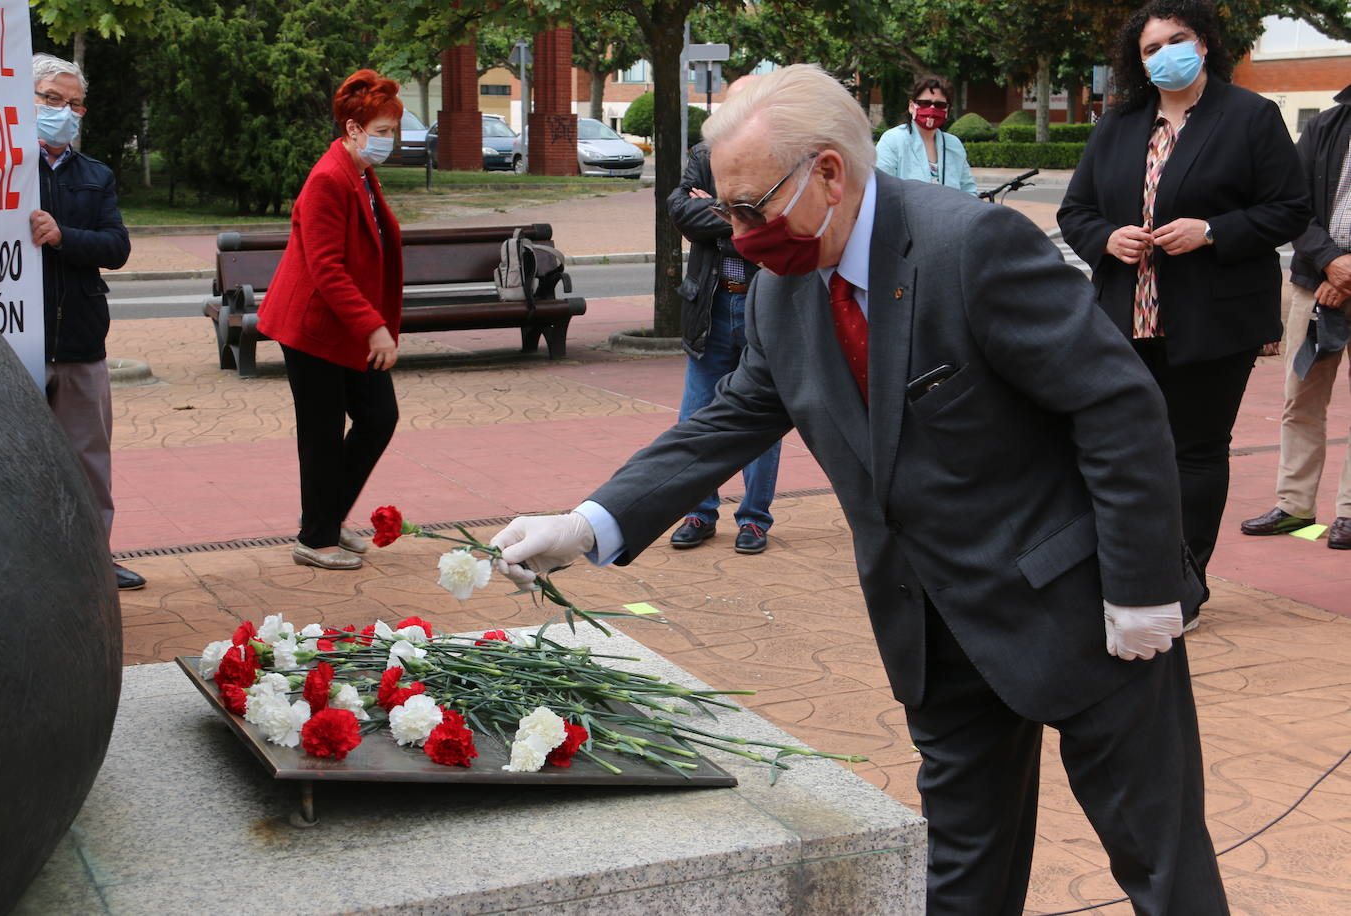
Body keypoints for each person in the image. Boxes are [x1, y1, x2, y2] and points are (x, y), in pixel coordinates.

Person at [489, 64, 1227, 914]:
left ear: (828, 174)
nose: (735, 231)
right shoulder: (782, 292)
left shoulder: (970, 247)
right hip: (935, 630)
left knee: (1161, 867)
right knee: (957, 879)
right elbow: (727, 423)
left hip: (1084, 611)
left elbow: (1118, 405)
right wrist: (586, 525)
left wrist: (1141, 590)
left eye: (749, 208)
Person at [1058, 0, 1310, 618]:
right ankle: (1128, 571)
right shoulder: (1119, 123)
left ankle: (1183, 585)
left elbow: (1289, 208)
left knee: (1195, 452)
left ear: (1203, 44)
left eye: (1176, 40)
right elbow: (1076, 211)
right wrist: (1105, 240)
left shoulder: (1249, 115)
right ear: (1136, 61)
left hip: (1213, 320)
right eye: (1150, 48)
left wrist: (1213, 230)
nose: (1164, 54)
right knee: (1125, 452)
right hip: (1126, 317)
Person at [256, 69, 404, 570]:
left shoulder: (359, 171)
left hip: (346, 325)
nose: (390, 140)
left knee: (379, 417)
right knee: (321, 432)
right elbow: (325, 268)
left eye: (391, 130)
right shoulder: (328, 178)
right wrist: (374, 325)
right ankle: (315, 538)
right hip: (313, 327)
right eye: (382, 131)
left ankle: (327, 517)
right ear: (352, 128)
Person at [29, 54, 143, 591]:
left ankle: (96, 563)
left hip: (78, 339)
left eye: (74, 104)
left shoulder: (95, 175)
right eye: (51, 99)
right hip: (16, 346)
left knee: (88, 463)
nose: (64, 112)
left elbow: (116, 246)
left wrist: (63, 236)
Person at [666, 76, 780, 555]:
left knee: (762, 418)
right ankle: (699, 511)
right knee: (697, 418)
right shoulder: (703, 152)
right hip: (711, 306)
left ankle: (754, 520)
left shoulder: (778, 155)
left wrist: (714, 214)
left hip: (761, 305)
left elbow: (775, 222)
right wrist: (741, 216)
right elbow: (678, 211)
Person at [1240, 83, 1351, 548]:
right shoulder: (1327, 124)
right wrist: (1330, 261)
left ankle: (1349, 514)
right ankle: (1294, 506)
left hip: (1335, 280)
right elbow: (1293, 204)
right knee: (1301, 398)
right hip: (1318, 283)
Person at [874, 75, 976, 194]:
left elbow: (969, 191)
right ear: (912, 106)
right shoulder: (893, 140)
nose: (932, 109)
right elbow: (881, 188)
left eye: (939, 105)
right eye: (925, 103)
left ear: (947, 110)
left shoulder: (954, 144)